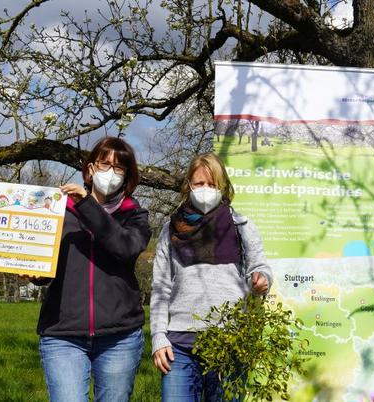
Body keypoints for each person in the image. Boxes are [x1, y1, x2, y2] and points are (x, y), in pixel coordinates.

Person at [32, 137, 151, 402]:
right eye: (104, 163)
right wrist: (35, 274)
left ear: (128, 175)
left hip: (119, 336)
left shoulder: (135, 216)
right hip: (63, 333)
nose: (110, 172)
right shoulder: (58, 211)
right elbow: (45, 260)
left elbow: (125, 248)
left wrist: (87, 204)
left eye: (119, 167)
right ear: (90, 168)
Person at [150, 153, 272, 402]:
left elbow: (259, 267)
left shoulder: (241, 225)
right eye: (199, 183)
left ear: (223, 186)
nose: (205, 189)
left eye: (212, 184)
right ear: (188, 186)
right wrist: (158, 337)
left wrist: (261, 280)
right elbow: (161, 286)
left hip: (229, 342)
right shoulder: (171, 229)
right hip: (179, 347)